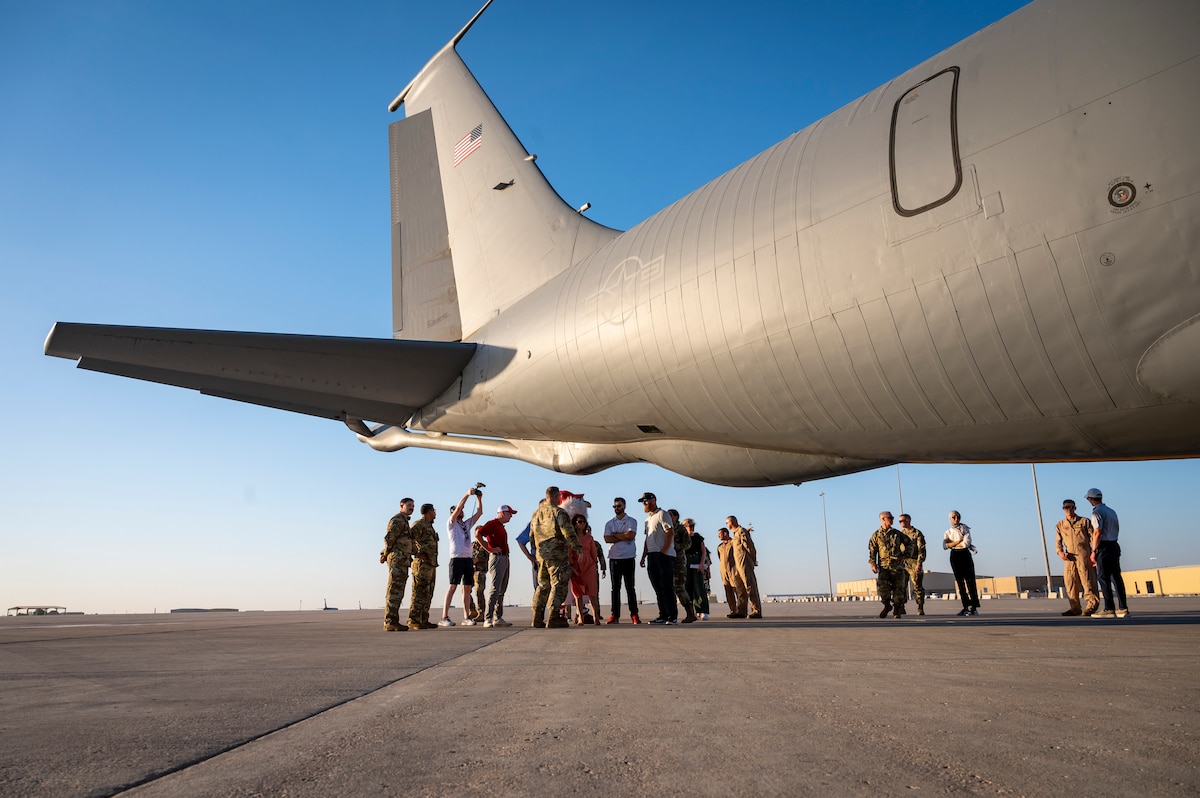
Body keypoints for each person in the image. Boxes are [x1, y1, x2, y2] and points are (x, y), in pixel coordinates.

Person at [529, 486, 583, 628]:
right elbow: (567, 531)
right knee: (558, 584)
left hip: (542, 555)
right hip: (557, 554)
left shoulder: (536, 514)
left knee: (543, 586)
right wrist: (577, 547)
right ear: (555, 496)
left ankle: (537, 618)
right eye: (559, 496)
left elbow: (531, 535)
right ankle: (553, 618)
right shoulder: (559, 512)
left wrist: (537, 552)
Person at [440, 487, 484, 627]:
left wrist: (479, 498)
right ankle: (444, 616)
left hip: (468, 559)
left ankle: (466, 616)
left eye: (462, 510)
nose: (461, 511)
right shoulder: (451, 523)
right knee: (453, 586)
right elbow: (459, 507)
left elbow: (479, 513)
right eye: (458, 510)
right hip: (456, 558)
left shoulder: (466, 524)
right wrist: (467, 494)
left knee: (467, 588)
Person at [1087, 488, 1129, 619]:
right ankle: (1122, 607)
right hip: (1114, 544)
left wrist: (1094, 551)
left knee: (1103, 577)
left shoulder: (1096, 513)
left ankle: (1109, 608)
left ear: (1090, 499)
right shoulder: (1111, 511)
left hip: (1104, 546)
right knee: (1116, 577)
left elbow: (1097, 532)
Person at [1055, 498, 1099, 617]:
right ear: (1063, 509)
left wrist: (1094, 552)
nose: (1069, 509)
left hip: (1083, 554)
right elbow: (1058, 541)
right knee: (1070, 582)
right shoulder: (1060, 525)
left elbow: (1093, 537)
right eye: (1066, 507)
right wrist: (1060, 552)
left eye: (1071, 507)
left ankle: (1092, 606)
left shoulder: (1084, 521)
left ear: (1075, 508)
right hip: (1069, 556)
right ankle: (1075, 608)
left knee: (1088, 580)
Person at [638, 492, 677, 624]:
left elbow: (670, 532)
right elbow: (647, 538)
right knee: (658, 588)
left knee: (666, 586)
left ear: (653, 500)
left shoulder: (662, 514)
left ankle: (672, 616)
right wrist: (643, 556)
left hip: (664, 555)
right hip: (652, 555)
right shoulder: (648, 519)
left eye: (645, 500)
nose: (644, 503)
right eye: (642, 501)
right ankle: (663, 615)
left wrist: (664, 551)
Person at [476, 504, 518, 627]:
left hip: (504, 557)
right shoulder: (492, 524)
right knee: (495, 588)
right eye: (509, 514)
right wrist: (489, 549)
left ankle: (497, 617)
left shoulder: (500, 526)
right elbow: (478, 534)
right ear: (502, 513)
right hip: (498, 558)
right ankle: (488, 618)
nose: (511, 516)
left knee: (501, 589)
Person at [604, 497, 640, 624]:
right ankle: (615, 615)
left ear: (624, 506)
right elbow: (607, 539)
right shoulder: (609, 523)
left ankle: (634, 614)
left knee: (630, 587)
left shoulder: (631, 521)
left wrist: (615, 535)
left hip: (628, 557)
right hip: (614, 558)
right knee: (615, 588)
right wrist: (623, 536)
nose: (617, 508)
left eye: (619, 506)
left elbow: (630, 535)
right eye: (615, 506)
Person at [380, 497, 414, 632]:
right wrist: (385, 553)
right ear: (401, 506)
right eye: (409, 505)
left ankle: (393, 621)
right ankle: (390, 621)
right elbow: (389, 539)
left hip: (403, 560)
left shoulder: (404, 521)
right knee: (394, 590)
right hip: (397, 560)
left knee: (398, 591)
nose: (411, 508)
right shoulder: (398, 520)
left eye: (413, 506)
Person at [868, 511, 909, 619]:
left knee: (899, 588)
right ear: (883, 519)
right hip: (884, 567)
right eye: (890, 518)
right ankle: (887, 606)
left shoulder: (897, 534)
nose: (892, 520)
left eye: (892, 518)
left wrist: (903, 556)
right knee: (883, 588)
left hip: (897, 566)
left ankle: (897, 610)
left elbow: (909, 544)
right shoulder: (876, 535)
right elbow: (872, 551)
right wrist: (873, 564)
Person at [568, 514, 606, 625]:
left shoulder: (589, 538)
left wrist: (596, 566)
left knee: (592, 592)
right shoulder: (571, 539)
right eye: (580, 522)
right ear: (575, 524)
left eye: (584, 521)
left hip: (589, 566)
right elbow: (569, 553)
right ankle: (580, 617)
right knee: (577, 593)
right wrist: (572, 565)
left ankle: (596, 617)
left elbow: (594, 553)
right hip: (577, 567)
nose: (582, 524)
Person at [408, 503, 440, 629]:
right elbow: (409, 539)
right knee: (419, 592)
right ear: (429, 511)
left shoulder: (429, 526)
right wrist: (418, 553)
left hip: (431, 564)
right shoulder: (419, 524)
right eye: (434, 510)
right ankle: (414, 620)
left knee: (428, 593)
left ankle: (423, 619)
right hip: (422, 565)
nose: (435, 513)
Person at [944, 510, 980, 616]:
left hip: (964, 554)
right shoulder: (948, 532)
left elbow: (966, 543)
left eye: (958, 516)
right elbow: (945, 546)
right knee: (960, 582)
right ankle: (965, 606)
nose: (956, 519)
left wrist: (953, 544)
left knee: (970, 580)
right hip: (955, 556)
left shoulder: (964, 528)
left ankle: (974, 607)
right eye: (953, 517)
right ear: (950, 519)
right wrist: (957, 542)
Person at [727, 516, 762, 618]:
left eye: (727, 522)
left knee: (750, 586)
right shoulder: (735, 534)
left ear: (732, 522)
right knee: (740, 588)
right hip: (738, 565)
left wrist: (753, 559)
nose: (727, 525)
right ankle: (741, 611)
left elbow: (749, 546)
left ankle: (756, 611)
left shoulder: (741, 531)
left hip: (744, 562)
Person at [669, 509, 698, 623]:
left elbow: (688, 543)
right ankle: (670, 613)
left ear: (676, 517)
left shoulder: (680, 529)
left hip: (679, 561)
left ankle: (690, 613)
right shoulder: (666, 528)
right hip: (668, 560)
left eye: (670, 515)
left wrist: (675, 546)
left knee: (679, 587)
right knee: (669, 588)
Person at [897, 514, 927, 616]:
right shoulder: (900, 534)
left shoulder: (917, 533)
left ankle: (920, 607)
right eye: (899, 521)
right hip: (903, 563)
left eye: (902, 521)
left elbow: (921, 550)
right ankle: (902, 607)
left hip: (914, 563)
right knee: (901, 586)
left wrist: (919, 563)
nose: (900, 523)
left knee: (917, 586)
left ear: (908, 520)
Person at [684, 519, 710, 620]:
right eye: (690, 526)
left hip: (696, 561)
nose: (692, 528)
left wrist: (702, 564)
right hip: (685, 562)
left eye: (693, 525)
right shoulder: (682, 538)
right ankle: (691, 611)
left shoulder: (698, 538)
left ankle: (702, 610)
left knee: (699, 587)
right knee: (687, 587)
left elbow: (703, 551)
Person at [716, 528, 739, 614]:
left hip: (733, 570)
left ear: (725, 533)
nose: (718, 536)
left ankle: (741, 610)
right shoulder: (720, 547)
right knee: (728, 591)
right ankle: (733, 610)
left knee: (737, 590)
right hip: (724, 571)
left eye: (720, 534)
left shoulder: (733, 543)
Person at [470, 534, 488, 622]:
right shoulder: (471, 545)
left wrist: (478, 560)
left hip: (480, 571)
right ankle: (472, 610)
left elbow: (489, 558)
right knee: (465, 591)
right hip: (471, 570)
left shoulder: (485, 545)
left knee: (479, 591)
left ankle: (481, 613)